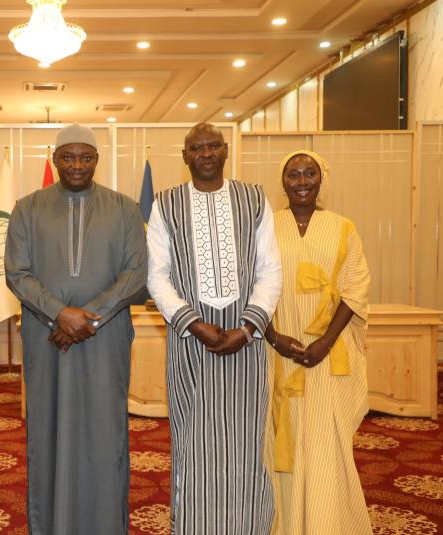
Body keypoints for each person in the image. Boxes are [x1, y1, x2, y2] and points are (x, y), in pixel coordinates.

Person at [4, 124, 148, 535]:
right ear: (55, 160)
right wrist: (58, 314)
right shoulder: (27, 208)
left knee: (105, 432)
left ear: (97, 160)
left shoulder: (124, 209)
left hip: (105, 338)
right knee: (46, 431)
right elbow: (17, 272)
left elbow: (136, 273)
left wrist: (88, 317)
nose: (77, 165)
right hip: (47, 338)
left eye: (86, 157)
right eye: (68, 157)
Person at [146, 122, 282, 534]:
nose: (205, 153)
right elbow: (156, 275)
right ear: (184, 156)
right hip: (191, 343)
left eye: (213, 146)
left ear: (226, 151)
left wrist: (249, 326)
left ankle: (247, 525)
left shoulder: (253, 199)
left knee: (246, 440)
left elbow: (271, 269)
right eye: (196, 148)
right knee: (193, 439)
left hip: (246, 342)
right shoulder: (165, 204)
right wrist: (192, 323)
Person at [265, 150, 371, 534]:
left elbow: (355, 289)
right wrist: (273, 337)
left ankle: (326, 522)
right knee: (283, 439)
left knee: (327, 442)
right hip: (279, 352)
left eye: (309, 173)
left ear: (321, 179)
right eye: (293, 174)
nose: (302, 181)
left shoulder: (344, 227)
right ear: (283, 182)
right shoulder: (266, 226)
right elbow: (251, 287)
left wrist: (325, 342)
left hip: (326, 353)